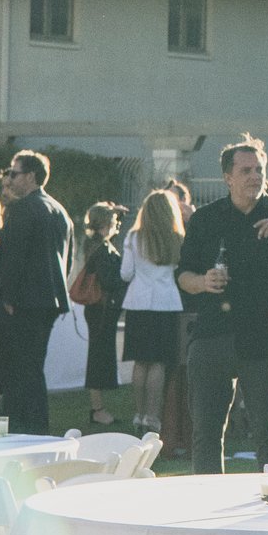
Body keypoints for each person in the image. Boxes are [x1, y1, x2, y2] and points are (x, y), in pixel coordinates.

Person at [178, 137, 268, 472]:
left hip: (263, 336)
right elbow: (182, 275)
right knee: (207, 433)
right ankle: (205, 513)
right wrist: (203, 282)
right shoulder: (206, 218)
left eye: (259, 170)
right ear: (228, 177)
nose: (255, 176)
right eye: (246, 170)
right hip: (212, 335)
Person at [0, 151, 73, 437]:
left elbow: (13, 259)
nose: (9, 179)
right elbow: (67, 260)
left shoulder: (24, 208)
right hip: (48, 301)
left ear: (31, 176)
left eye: (14, 173)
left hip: (22, 302)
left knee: (17, 370)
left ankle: (23, 429)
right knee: (32, 367)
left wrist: (8, 299)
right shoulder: (60, 210)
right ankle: (35, 428)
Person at [118, 189, 186, 441]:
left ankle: (139, 413)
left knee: (140, 361)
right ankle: (153, 416)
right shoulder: (177, 237)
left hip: (138, 302)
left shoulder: (134, 237)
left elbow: (125, 273)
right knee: (158, 362)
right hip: (166, 302)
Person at [77, 201, 126, 427]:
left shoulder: (93, 244)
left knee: (98, 355)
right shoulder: (103, 249)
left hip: (97, 309)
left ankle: (97, 407)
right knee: (98, 357)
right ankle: (97, 408)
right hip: (102, 309)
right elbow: (110, 280)